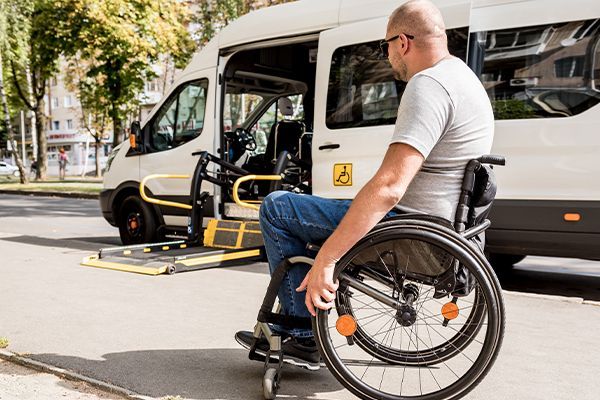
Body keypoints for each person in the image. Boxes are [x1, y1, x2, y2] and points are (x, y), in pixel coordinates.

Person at [236, 0, 495, 369]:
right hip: (443, 228)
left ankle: (303, 334)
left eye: (385, 46)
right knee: (332, 203)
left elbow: (390, 186)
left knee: (278, 206)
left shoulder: (429, 86)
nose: (387, 55)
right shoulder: (465, 79)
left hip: (409, 228)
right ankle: (300, 317)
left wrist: (329, 257)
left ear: (403, 42)